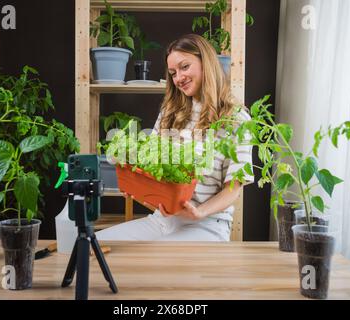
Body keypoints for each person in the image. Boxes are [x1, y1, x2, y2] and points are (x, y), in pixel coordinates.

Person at [96, 34, 253, 242]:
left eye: (184, 67)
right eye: (173, 73)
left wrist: (200, 212)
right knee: (94, 245)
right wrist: (138, 184)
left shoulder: (236, 118)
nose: (178, 78)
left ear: (206, 62)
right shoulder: (170, 111)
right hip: (162, 220)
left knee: (153, 261)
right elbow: (151, 166)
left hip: (207, 225)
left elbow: (233, 188)